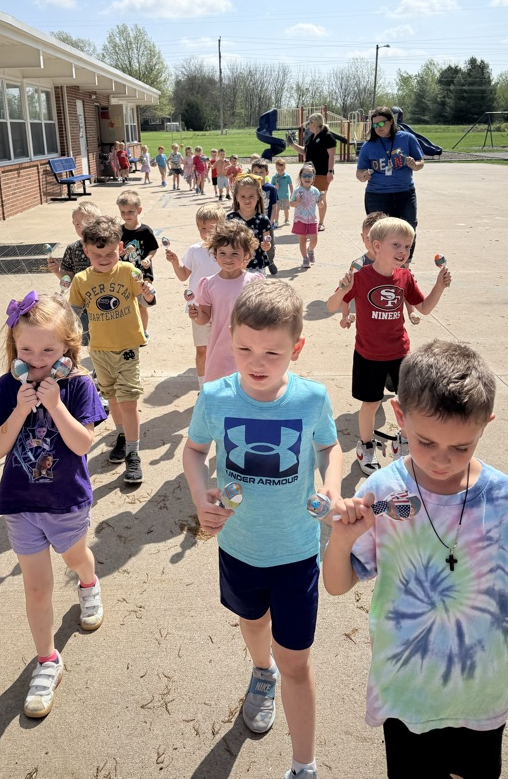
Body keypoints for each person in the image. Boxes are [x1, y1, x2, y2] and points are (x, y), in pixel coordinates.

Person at [322, 340, 508, 779]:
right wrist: (340, 541)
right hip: (406, 691)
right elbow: (336, 584)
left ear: (486, 424)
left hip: (479, 697)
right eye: (426, 442)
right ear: (400, 416)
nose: (442, 460)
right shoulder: (383, 494)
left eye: (461, 447)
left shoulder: (507, 501)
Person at [184, 281, 343, 779]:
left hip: (297, 550)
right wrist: (200, 493)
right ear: (229, 338)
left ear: (297, 348)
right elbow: (193, 451)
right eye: (244, 348)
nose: (256, 361)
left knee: (297, 661)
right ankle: (260, 672)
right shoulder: (214, 396)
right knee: (251, 622)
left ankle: (304, 766)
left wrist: (332, 488)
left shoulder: (312, 398)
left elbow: (329, 448)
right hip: (238, 545)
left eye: (273, 352)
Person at [0, 292, 106, 718]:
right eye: (27, 350)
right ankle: (48, 660)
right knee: (36, 588)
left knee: (76, 559)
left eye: (48, 350)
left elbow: (83, 443)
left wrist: (54, 406)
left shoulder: (79, 387)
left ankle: (89, 583)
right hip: (20, 504)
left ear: (68, 350)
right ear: (14, 351)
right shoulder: (5, 388)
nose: (36, 359)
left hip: (65, 501)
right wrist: (18, 412)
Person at [326, 216, 451, 476]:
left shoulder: (404, 277)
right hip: (368, 354)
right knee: (370, 404)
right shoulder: (360, 277)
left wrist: (439, 287)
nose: (403, 251)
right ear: (376, 246)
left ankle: (402, 445)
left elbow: (424, 308)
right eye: (397, 245)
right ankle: (366, 447)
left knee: (406, 403)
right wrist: (342, 290)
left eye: (407, 246)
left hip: (400, 352)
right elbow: (331, 305)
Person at [70, 216, 155, 483]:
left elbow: (146, 301)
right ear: (86, 250)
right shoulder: (81, 280)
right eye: (97, 254)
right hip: (99, 351)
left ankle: (133, 455)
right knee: (114, 400)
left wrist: (149, 293)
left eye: (110, 253)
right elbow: (72, 314)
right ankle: (121, 435)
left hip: (127, 348)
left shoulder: (129, 271)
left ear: (120, 247)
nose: (105, 259)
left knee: (128, 402)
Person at [190, 221, 262, 383]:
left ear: (247, 256)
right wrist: (196, 315)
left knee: (248, 390)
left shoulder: (255, 282)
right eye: (222, 253)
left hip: (249, 349)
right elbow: (204, 319)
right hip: (220, 350)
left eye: (235, 253)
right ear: (215, 254)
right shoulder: (208, 284)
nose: (228, 258)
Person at [165, 203, 226, 389]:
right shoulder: (194, 250)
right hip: (198, 307)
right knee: (202, 350)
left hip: (224, 306)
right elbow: (183, 275)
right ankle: (203, 388)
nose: (206, 232)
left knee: (225, 349)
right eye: (202, 228)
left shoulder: (227, 250)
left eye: (212, 228)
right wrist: (175, 262)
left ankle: (224, 385)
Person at [356, 106, 424, 263]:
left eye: (381, 124)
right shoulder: (369, 146)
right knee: (378, 231)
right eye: (374, 125)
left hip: (404, 193)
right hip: (377, 195)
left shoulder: (407, 139)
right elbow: (359, 172)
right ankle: (380, 264)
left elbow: (420, 163)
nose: (378, 128)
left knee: (408, 229)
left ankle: (404, 265)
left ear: (391, 122)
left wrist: (415, 164)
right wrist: (363, 176)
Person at [340, 211, 420, 331]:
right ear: (363, 237)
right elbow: (346, 294)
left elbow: (407, 291)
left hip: (391, 321)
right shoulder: (358, 265)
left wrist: (411, 312)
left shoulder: (397, 262)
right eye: (369, 237)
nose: (373, 242)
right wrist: (345, 316)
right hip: (368, 319)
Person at [46, 201, 102, 344]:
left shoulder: (104, 246)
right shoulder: (72, 249)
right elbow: (68, 278)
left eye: (86, 222)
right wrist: (58, 271)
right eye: (77, 224)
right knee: (86, 338)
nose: (81, 227)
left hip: (103, 298)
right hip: (81, 303)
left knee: (104, 336)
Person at [116, 189, 159, 341]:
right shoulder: (119, 231)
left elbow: (153, 248)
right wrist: (118, 255)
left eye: (130, 212)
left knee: (142, 304)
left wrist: (148, 258)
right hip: (124, 275)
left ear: (139, 210)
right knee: (126, 303)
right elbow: (115, 250)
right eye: (123, 212)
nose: (126, 215)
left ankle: (143, 330)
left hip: (143, 273)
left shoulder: (145, 231)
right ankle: (128, 331)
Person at [287, 112, 336, 231]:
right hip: (309, 172)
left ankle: (321, 222)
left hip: (322, 172)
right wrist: (293, 145)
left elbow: (331, 155)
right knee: (307, 196)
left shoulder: (327, 136)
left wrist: (330, 171)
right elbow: (306, 152)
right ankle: (307, 220)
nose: (308, 125)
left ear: (314, 123)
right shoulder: (311, 137)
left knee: (320, 197)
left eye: (309, 123)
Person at [227, 174, 273, 275]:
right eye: (242, 196)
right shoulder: (230, 219)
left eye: (251, 196)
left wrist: (266, 246)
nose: (247, 200)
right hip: (235, 265)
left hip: (257, 265)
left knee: (256, 290)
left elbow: (267, 240)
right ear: (236, 197)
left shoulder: (263, 220)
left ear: (258, 196)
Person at [291, 162, 322, 269]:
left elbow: (320, 205)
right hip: (300, 218)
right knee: (302, 240)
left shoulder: (315, 191)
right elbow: (291, 203)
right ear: (301, 177)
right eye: (305, 175)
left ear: (313, 178)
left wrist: (320, 201)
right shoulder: (297, 191)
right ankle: (305, 258)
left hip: (312, 219)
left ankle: (311, 250)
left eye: (310, 176)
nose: (307, 178)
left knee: (314, 240)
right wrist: (297, 202)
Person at [251, 158, 279, 275]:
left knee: (270, 246)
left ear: (266, 173)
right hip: (253, 223)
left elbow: (274, 206)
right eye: (256, 172)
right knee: (253, 245)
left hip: (266, 223)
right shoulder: (249, 188)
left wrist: (270, 222)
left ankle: (270, 261)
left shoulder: (271, 189)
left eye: (261, 172)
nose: (259, 175)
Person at [272, 158, 293, 227]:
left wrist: (292, 193)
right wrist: (275, 186)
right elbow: (271, 186)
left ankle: (286, 219)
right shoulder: (274, 177)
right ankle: (276, 221)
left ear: (285, 168)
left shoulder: (287, 176)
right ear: (276, 168)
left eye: (282, 169)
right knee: (277, 210)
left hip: (285, 196)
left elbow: (290, 184)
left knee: (286, 209)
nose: (280, 171)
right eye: (278, 169)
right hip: (277, 197)